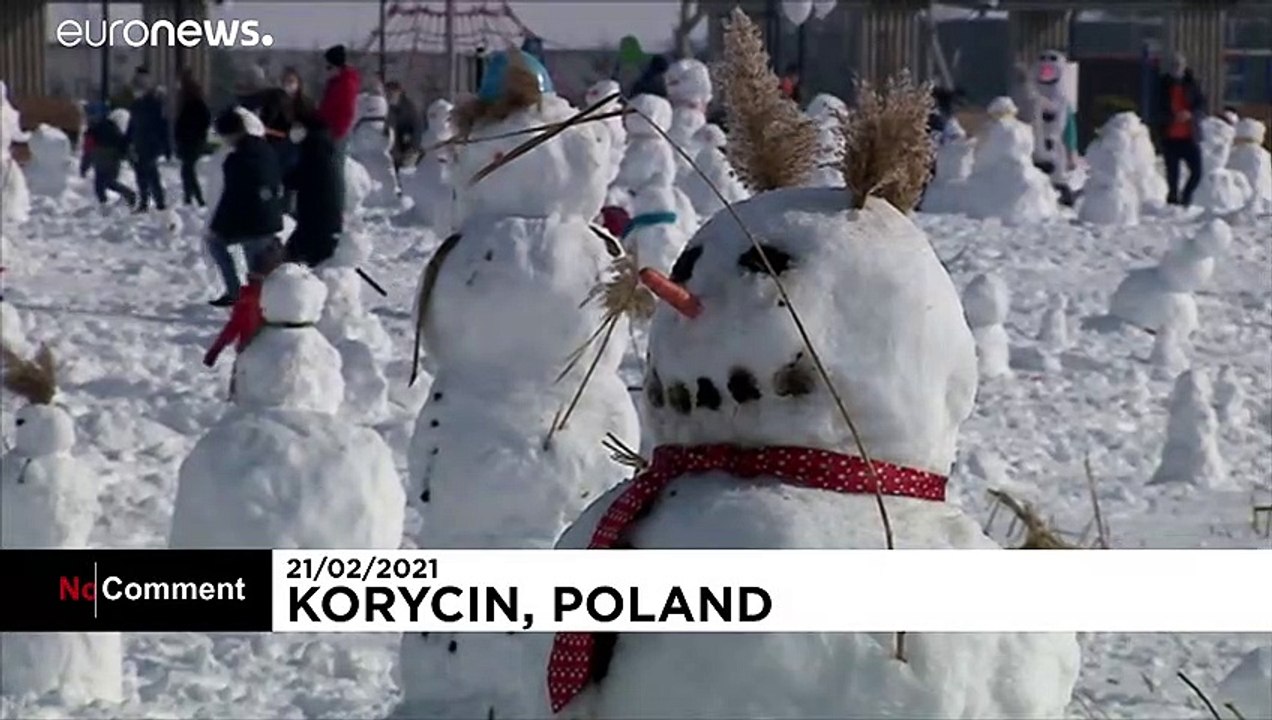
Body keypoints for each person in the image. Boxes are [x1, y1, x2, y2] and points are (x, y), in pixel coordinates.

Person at [205, 108, 284, 307]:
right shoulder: (266, 149)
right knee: (261, 271)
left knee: (217, 244)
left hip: (252, 224)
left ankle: (243, 298)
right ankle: (253, 301)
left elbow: (232, 198)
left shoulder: (236, 160)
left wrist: (218, 227)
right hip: (270, 218)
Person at [283, 111, 343, 267]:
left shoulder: (314, 149)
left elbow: (298, 178)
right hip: (323, 219)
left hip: (316, 221)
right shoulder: (323, 145)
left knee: (290, 262)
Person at [1156, 51, 1207, 207]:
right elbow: (1155, 110)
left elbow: (1202, 105)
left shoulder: (1192, 84)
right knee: (1172, 176)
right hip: (1170, 137)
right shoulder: (1162, 85)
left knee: (1197, 172)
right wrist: (1171, 118)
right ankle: (1172, 205)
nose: (1176, 69)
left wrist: (1190, 114)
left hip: (1189, 136)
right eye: (1173, 66)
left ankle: (1186, 198)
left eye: (1179, 66)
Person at [318, 44, 361, 207]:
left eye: (329, 66)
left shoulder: (345, 84)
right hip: (329, 131)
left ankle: (336, 207)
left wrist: (336, 133)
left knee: (335, 172)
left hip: (336, 133)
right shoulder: (336, 82)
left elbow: (345, 113)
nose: (326, 70)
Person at [127, 67, 172, 212]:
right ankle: (144, 202)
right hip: (139, 142)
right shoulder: (136, 103)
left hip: (151, 144)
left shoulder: (154, 103)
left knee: (151, 174)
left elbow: (162, 125)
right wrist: (127, 140)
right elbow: (132, 124)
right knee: (141, 174)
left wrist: (166, 146)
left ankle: (159, 203)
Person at [174, 69, 212, 207]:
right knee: (187, 170)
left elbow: (204, 120)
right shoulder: (189, 100)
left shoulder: (193, 102)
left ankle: (195, 198)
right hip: (188, 141)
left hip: (192, 141)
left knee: (187, 170)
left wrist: (196, 133)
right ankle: (190, 197)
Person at [86, 108, 137, 208]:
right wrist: (130, 159)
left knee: (102, 183)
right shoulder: (110, 127)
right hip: (108, 158)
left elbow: (88, 148)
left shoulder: (95, 129)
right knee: (105, 182)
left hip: (104, 157)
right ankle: (106, 204)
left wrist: (85, 163)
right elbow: (123, 143)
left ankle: (126, 195)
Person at [386, 80, 419, 173]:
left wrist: (411, 147)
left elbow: (415, 128)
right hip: (394, 147)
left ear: (398, 92)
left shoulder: (407, 107)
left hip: (406, 148)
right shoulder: (389, 106)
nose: (389, 95)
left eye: (391, 92)